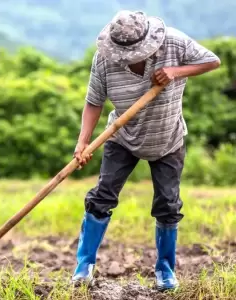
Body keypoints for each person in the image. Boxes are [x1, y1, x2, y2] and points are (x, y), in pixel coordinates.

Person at [71, 10, 221, 291]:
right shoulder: (105, 58)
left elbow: (212, 61)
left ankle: (165, 271)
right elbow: (94, 101)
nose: (128, 59)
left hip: (168, 138)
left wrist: (176, 72)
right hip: (122, 136)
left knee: (167, 204)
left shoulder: (174, 42)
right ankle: (83, 267)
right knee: (102, 197)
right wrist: (83, 142)